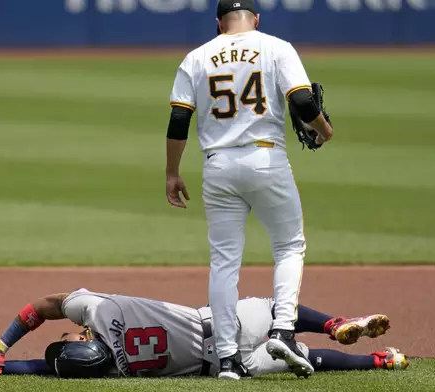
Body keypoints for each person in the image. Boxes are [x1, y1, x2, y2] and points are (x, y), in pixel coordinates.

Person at [164, 0, 334, 380]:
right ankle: (283, 331)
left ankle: (226, 360)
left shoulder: (197, 57)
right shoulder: (276, 47)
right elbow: (303, 101)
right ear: (256, 18)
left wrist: (172, 173)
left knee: (224, 261)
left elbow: (179, 119)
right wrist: (324, 130)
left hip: (217, 166)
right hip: (266, 160)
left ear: (218, 23)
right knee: (289, 245)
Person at [0, 288, 407, 379]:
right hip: (218, 322)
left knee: (301, 357)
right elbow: (42, 307)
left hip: (221, 365)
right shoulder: (101, 307)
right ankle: (335, 323)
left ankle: (383, 361)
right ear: (81, 337)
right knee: (280, 311)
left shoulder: (111, 369)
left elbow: (39, 369)